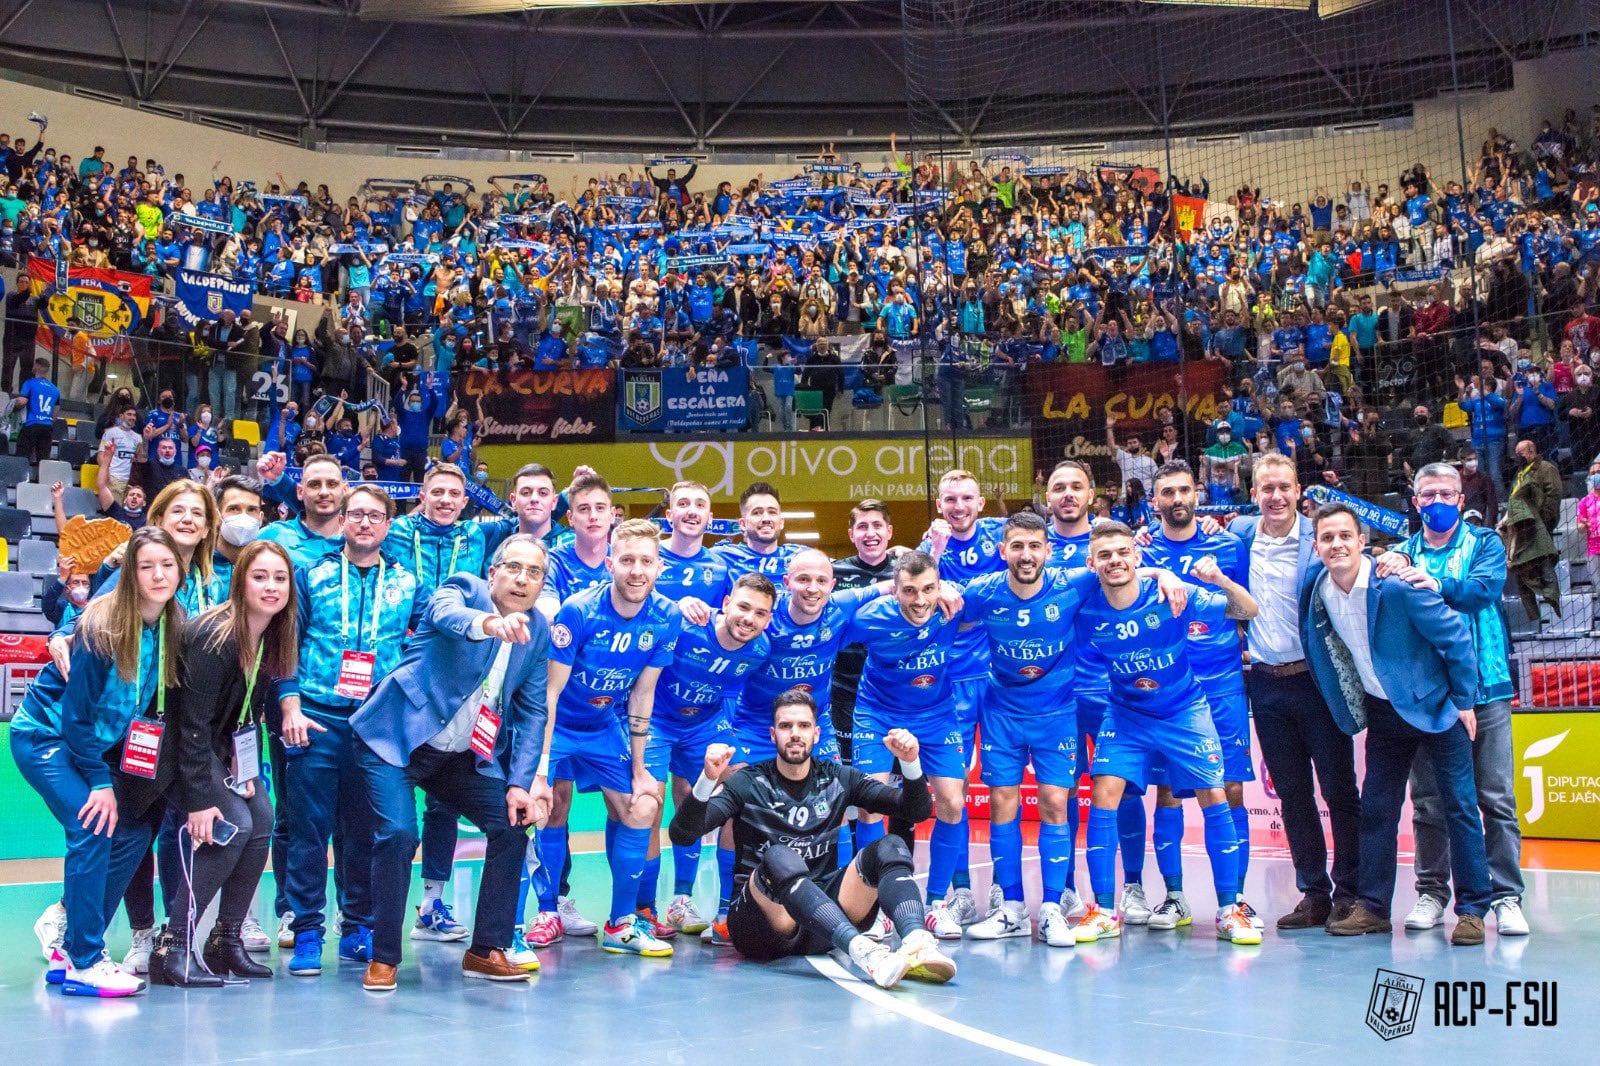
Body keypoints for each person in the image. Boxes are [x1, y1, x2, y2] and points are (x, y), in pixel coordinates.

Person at [351, 535, 553, 990]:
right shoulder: (463, 588)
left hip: (462, 757)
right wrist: (489, 624)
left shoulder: (538, 631)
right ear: (493, 572)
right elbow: (446, 614)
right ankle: (384, 955)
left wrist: (521, 781)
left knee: (511, 822)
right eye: (513, 567)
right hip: (396, 741)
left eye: (534, 573)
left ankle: (486, 949)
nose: (522, 579)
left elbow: (534, 709)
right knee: (401, 834)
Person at [667, 691, 955, 988]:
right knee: (779, 856)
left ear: (816, 734)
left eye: (803, 726)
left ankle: (917, 942)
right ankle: (866, 952)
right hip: (764, 928)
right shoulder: (748, 782)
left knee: (891, 846)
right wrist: (707, 779)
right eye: (785, 726)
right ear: (772, 734)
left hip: (822, 926)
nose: (795, 734)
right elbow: (683, 834)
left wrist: (910, 763)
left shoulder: (838, 778)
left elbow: (916, 810)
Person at [1301, 505, 1491, 946]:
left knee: (1459, 807)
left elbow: (1456, 638)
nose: (1337, 545)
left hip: (1437, 708)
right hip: (1383, 714)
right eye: (1327, 538)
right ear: (1316, 547)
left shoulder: (1398, 587)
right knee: (1377, 811)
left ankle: (1473, 910)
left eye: (1345, 536)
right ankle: (1372, 908)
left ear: (1362, 542)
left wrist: (1463, 700)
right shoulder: (1319, 589)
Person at [10, 527, 185, 997]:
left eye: (167, 565)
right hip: (46, 737)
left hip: (94, 745)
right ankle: (86, 960)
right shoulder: (101, 625)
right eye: (146, 566)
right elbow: (76, 715)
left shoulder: (172, 623)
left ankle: (70, 948)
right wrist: (99, 782)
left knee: (131, 831)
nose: (158, 575)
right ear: (129, 574)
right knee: (92, 823)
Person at [1071, 522, 1260, 945]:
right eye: (1105, 555)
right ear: (1092, 563)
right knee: (1104, 791)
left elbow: (1248, 610)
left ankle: (1230, 910)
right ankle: (1103, 910)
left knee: (1214, 793)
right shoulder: (1084, 604)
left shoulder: (1172, 595)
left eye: (1123, 552)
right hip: (1125, 713)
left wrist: (1212, 579)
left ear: (1137, 558)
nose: (1115, 560)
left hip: (1183, 711)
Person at [1376, 464, 1526, 937]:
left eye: (1446, 493)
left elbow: (1483, 592)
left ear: (1461, 500)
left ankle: (1505, 896)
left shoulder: (1484, 543)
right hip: (1429, 697)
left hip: (1488, 685)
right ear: (1415, 501)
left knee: (1495, 797)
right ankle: (1431, 892)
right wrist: (1389, 564)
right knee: (1428, 800)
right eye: (1428, 494)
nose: (1437, 500)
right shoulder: (1402, 551)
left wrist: (1433, 584)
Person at [281, 486, 423, 976]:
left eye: (375, 515)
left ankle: (358, 925)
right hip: (317, 717)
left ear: (389, 525)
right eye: (356, 514)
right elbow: (286, 643)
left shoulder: (408, 583)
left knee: (364, 831)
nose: (365, 522)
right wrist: (289, 703)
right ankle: (305, 930)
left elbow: (429, 648)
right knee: (308, 830)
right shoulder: (312, 574)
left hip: (376, 724)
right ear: (342, 520)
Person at [535, 520, 682, 957]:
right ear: (610, 563)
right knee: (548, 803)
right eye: (628, 560)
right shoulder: (578, 611)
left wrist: (639, 770)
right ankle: (547, 912)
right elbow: (550, 694)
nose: (637, 570)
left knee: (643, 804)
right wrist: (540, 770)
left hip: (604, 727)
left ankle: (621, 923)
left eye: (647, 562)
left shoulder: (666, 617)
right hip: (559, 724)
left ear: (659, 567)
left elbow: (642, 693)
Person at [154, 541, 297, 987]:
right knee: (231, 820)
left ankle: (225, 940)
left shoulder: (271, 633)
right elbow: (191, 727)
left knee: (262, 816)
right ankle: (173, 946)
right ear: (240, 582)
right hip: (176, 752)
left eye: (279, 578)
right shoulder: (215, 637)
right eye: (260, 577)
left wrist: (248, 772)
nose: (271, 587)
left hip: (216, 751)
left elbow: (247, 715)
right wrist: (199, 802)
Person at [1229, 453, 1362, 931]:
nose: (1276, 496)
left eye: (1284, 487)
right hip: (1265, 685)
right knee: (1292, 795)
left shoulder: (1319, 536)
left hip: (1316, 681)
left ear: (1298, 489)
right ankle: (1314, 892)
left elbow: (1358, 553)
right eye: (1267, 488)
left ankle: (1350, 891)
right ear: (1254, 493)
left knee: (1340, 791)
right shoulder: (1239, 537)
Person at [957, 513, 1100, 946]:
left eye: (1034, 546)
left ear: (1047, 550)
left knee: (1056, 804)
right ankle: (1013, 908)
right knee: (1002, 802)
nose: (1026, 555)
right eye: (1016, 546)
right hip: (1002, 711)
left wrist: (1157, 574)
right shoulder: (982, 592)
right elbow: (943, 610)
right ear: (1003, 551)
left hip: (1057, 711)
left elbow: (1123, 569)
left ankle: (1053, 907)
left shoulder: (1074, 583)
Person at [1139, 462, 1259, 930]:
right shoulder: (1142, 548)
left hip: (1222, 682)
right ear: (1155, 501)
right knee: (1169, 791)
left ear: (1198, 493)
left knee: (1229, 787)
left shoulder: (1227, 544)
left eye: (1183, 490)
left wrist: (1218, 584)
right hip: (1168, 688)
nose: (1176, 499)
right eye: (1166, 492)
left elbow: (1245, 607)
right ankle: (1174, 897)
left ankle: (1237, 900)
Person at [638, 574, 776, 939]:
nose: (749, 618)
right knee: (648, 805)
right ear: (726, 602)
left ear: (769, 619)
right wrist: (677, 604)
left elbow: (729, 691)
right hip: (657, 719)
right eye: (744, 606)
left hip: (705, 725)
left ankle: (716, 909)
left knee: (744, 793)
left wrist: (723, 741)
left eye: (760, 613)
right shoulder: (687, 625)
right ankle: (643, 909)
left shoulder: (759, 650)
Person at [843, 551, 972, 938]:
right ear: (894, 589)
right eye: (910, 591)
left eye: (929, 588)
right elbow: (825, 628)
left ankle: (935, 904)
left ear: (940, 585)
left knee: (952, 802)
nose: (920, 600)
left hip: (937, 716)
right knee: (870, 805)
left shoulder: (954, 605)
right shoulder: (870, 616)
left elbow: (1011, 592)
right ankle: (875, 908)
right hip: (877, 714)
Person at [916, 469, 1007, 932]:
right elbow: (913, 589)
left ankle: (1003, 888)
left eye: (966, 498)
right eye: (950, 498)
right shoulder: (928, 546)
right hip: (947, 683)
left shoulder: (1001, 541)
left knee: (1001, 786)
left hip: (996, 680)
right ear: (939, 503)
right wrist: (933, 551)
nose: (958, 506)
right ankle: (961, 891)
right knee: (953, 789)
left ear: (980, 503)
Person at [257, 452, 346, 568]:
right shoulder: (272, 536)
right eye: (314, 484)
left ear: (345, 491)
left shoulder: (365, 538)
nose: (324, 492)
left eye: (332, 484)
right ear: (300, 491)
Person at [653, 480, 731, 605]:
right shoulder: (648, 559)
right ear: (669, 515)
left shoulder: (720, 568)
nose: (692, 512)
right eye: (683, 504)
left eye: (700, 505)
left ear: (710, 518)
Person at [711, 482, 804, 580]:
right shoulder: (721, 557)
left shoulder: (801, 557)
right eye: (757, 513)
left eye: (772, 512)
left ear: (781, 522)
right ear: (742, 524)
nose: (766, 518)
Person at [13, 357, 59, 470]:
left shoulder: (30, 383)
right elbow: (56, 411)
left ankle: (20, 480)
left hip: (31, 424)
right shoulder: (55, 389)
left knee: (22, 457)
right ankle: (41, 483)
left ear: (36, 367)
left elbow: (22, 401)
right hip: (47, 427)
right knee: (43, 460)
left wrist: (14, 405)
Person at [1581, 463, 1600, 636]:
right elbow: (1580, 526)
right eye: (1593, 473)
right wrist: (1584, 525)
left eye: (1599, 472)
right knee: (1599, 587)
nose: (1596, 475)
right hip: (1593, 549)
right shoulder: (1585, 502)